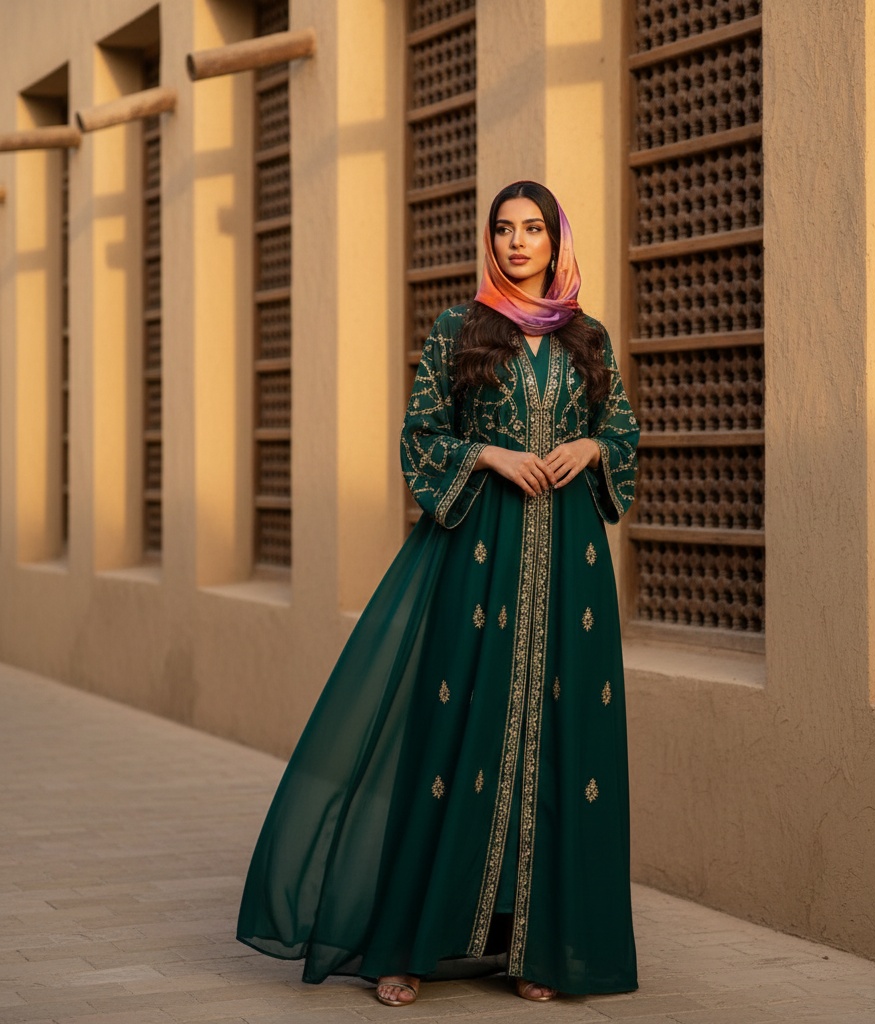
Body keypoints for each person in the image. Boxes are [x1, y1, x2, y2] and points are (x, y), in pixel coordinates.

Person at [236, 181, 640, 1005]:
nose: (519, 242)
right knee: (455, 734)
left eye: (533, 228)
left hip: (569, 565)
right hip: (480, 557)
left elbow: (624, 427)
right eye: (505, 229)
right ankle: (408, 944)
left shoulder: (586, 337)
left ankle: (541, 949)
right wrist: (487, 456)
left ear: (558, 239)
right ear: (489, 242)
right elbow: (420, 436)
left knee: (557, 739)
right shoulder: (461, 327)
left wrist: (594, 446)